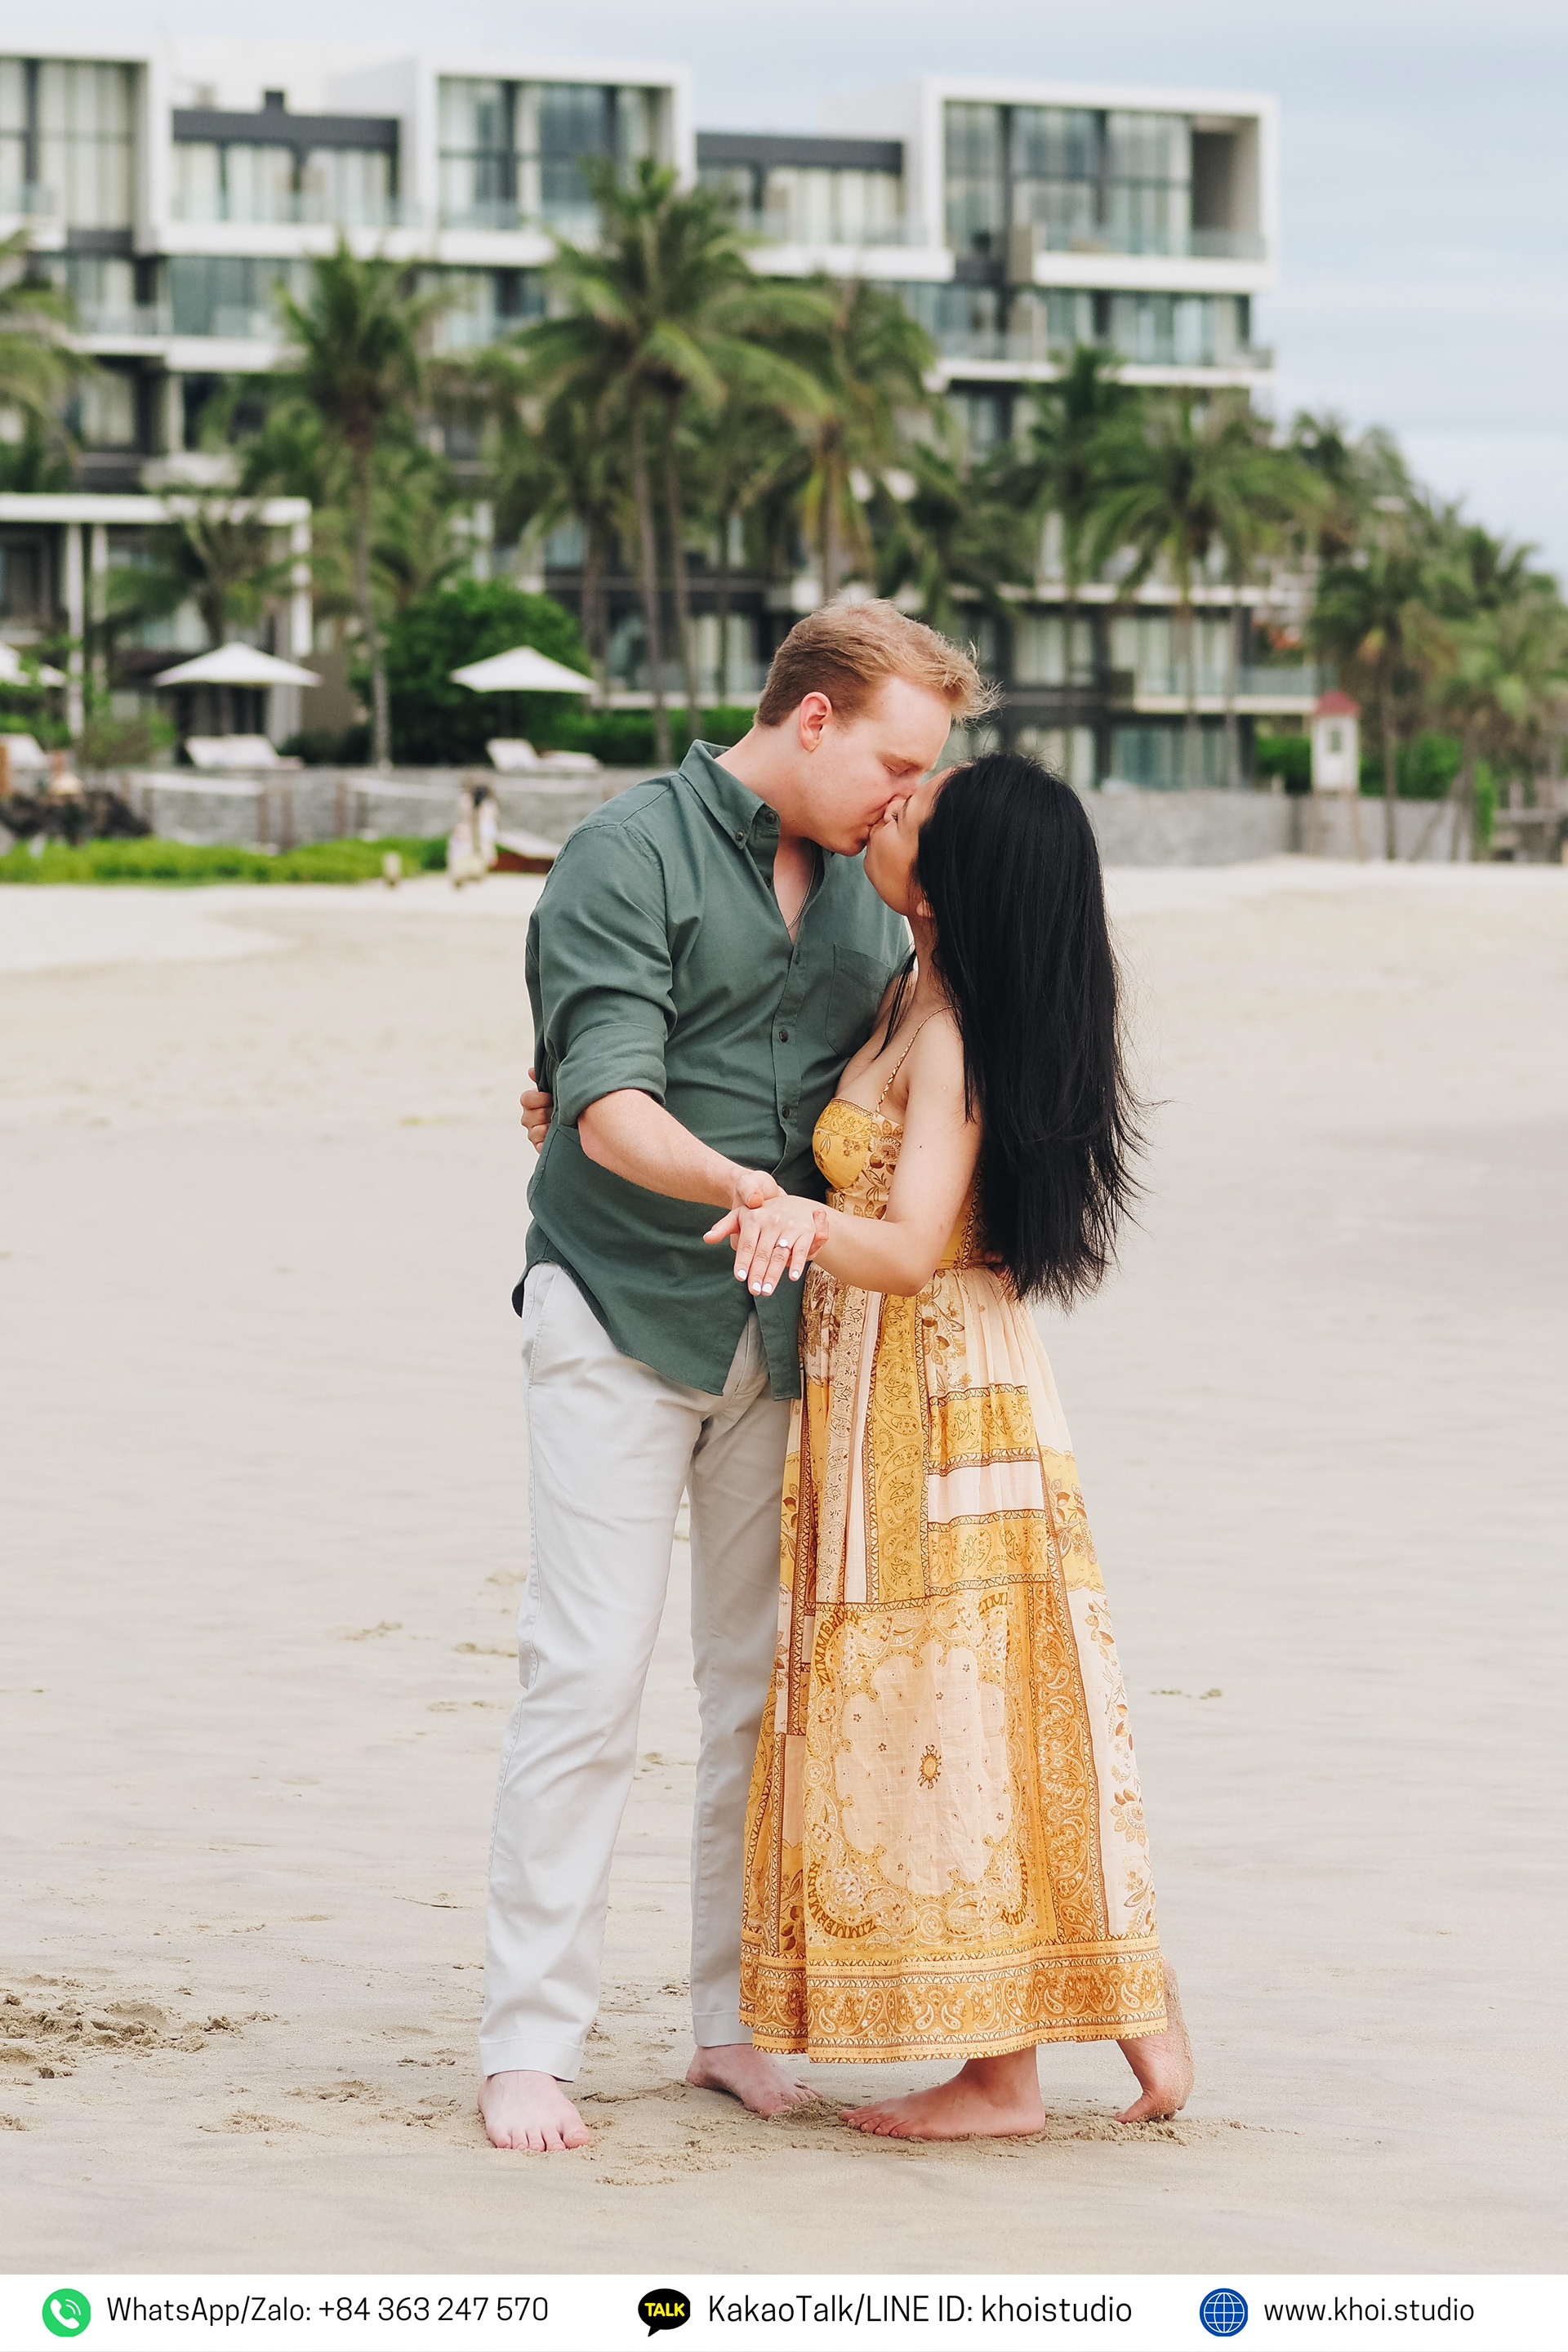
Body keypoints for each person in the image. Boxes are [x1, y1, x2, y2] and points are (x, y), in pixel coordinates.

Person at [480, 602, 991, 2154]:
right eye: (897, 764)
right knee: (586, 1673)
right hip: (620, 1310)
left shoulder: (870, 901)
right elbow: (607, 1106)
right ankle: (528, 2041)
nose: (907, 800)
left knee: (755, 1698)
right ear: (814, 720)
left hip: (789, 1345)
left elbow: (929, 1069)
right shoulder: (625, 854)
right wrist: (745, 1191)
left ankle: (726, 2020)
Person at [706, 752, 1194, 2138]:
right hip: (889, 1389)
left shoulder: (958, 1022)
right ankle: (1115, 2004)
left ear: (957, 871)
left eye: (916, 812)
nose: (889, 811)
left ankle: (1004, 2074)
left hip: (934, 1391)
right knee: (977, 1696)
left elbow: (914, 1243)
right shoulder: (908, 990)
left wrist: (793, 1224)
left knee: (958, 1702)